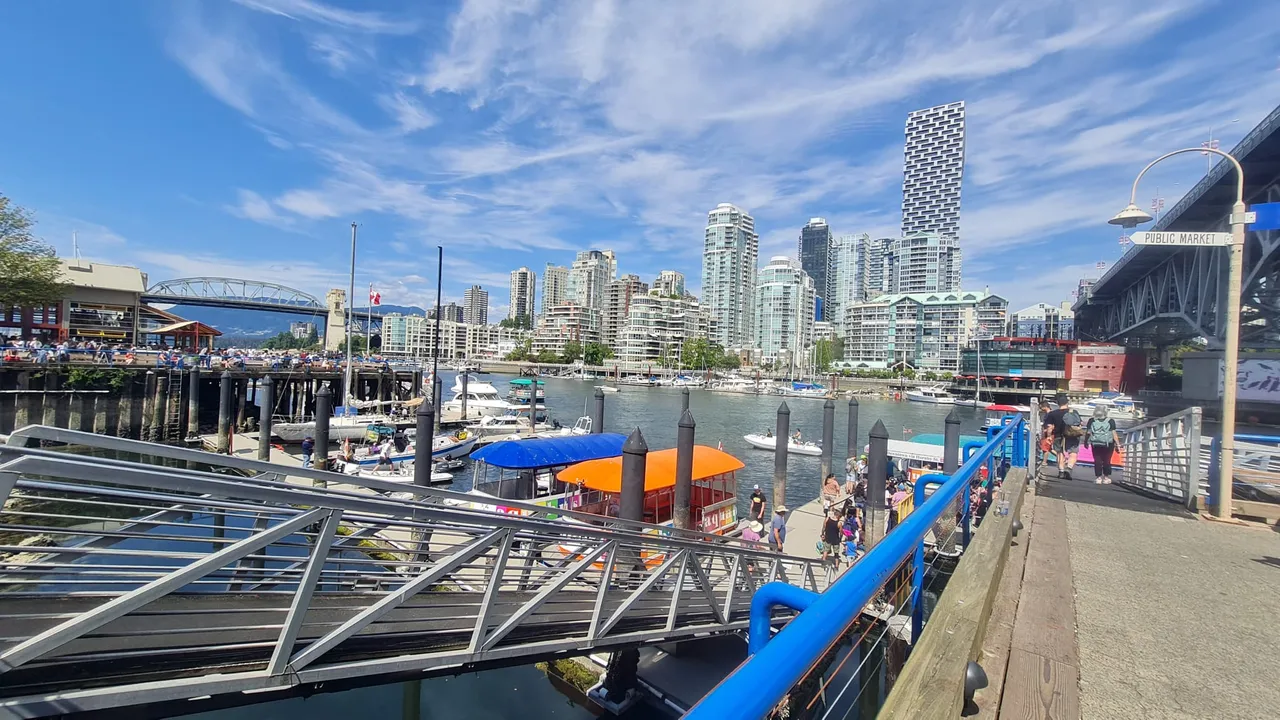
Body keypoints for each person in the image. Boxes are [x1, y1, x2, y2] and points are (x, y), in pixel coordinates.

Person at [1041, 396, 1083, 480]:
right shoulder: (1073, 412)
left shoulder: (1053, 413)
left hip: (1058, 436)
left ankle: (1061, 471)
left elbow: (1049, 427)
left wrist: (1049, 437)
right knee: (1073, 453)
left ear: (1057, 404)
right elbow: (1080, 423)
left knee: (1060, 453)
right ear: (1067, 403)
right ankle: (1069, 467)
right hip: (1073, 435)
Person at [1085, 405, 1121, 484]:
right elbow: (1114, 433)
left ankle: (1098, 478)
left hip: (1095, 443)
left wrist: (1086, 441)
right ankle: (1106, 478)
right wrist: (1118, 444)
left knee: (1097, 459)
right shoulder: (1110, 421)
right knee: (1107, 459)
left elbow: (1088, 432)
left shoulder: (1091, 420)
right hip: (1108, 443)